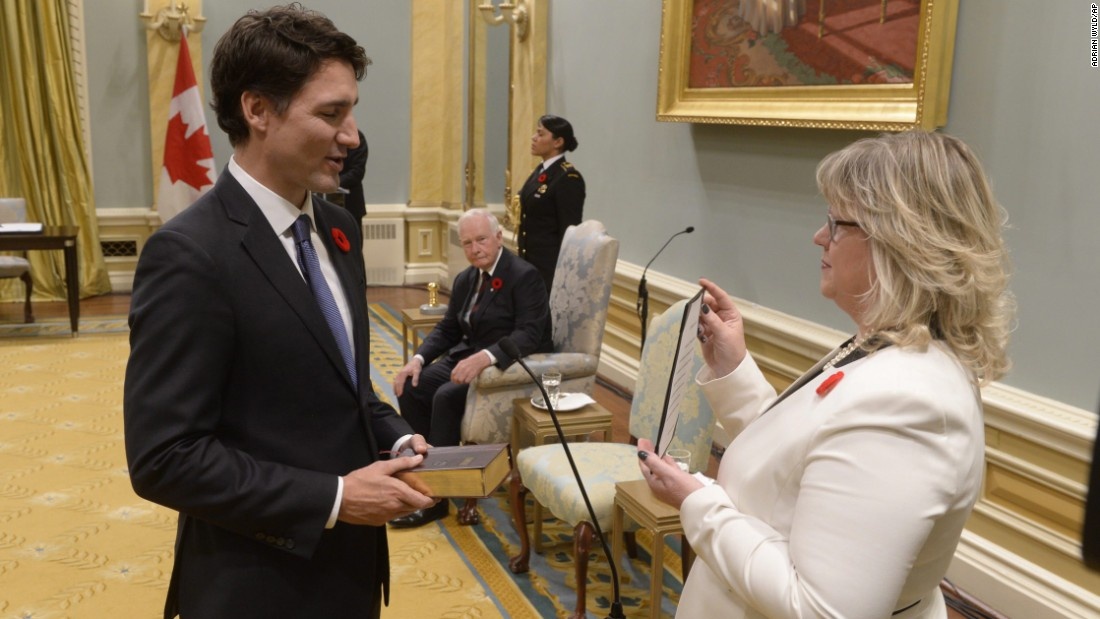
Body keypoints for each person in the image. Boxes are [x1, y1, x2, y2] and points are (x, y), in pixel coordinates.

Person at [123, 6, 435, 618]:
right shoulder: (190, 254)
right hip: (257, 584)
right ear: (257, 110)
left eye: (352, 112)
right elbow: (165, 458)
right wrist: (336, 497)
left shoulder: (338, 229)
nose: (352, 136)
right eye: (330, 113)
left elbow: (342, 386)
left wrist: (395, 435)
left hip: (349, 573)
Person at [637, 131, 1013, 618]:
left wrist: (697, 503)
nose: (819, 236)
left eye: (836, 223)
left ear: (900, 241)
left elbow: (820, 609)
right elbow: (802, 465)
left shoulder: (911, 403)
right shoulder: (889, 347)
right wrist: (732, 369)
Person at [392, 208, 553, 527]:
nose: (474, 248)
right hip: (465, 358)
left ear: (497, 237)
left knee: (446, 396)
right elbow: (448, 329)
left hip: (502, 368)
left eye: (481, 239)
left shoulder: (523, 276)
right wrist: (418, 359)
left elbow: (530, 333)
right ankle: (419, 475)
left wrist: (486, 357)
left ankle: (438, 496)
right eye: (467, 243)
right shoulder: (466, 278)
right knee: (412, 385)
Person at [517, 114, 585, 292]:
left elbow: (568, 231)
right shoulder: (541, 170)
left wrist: (564, 274)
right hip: (530, 263)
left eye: (540, 134)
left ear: (557, 142)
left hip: (550, 268)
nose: (534, 137)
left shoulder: (568, 178)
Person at [340, 129, 368, 221]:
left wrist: (333, 182)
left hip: (351, 203)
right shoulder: (323, 136)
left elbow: (357, 172)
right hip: (322, 204)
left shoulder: (356, 137)